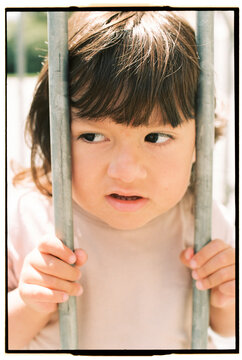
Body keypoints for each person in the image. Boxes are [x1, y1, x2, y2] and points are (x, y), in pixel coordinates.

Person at [8, 10, 235, 350]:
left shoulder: (202, 218)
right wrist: (29, 302)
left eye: (156, 137)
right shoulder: (29, 213)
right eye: (92, 137)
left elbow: (227, 327)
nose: (126, 172)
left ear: (198, 146)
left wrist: (227, 294)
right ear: (53, 135)